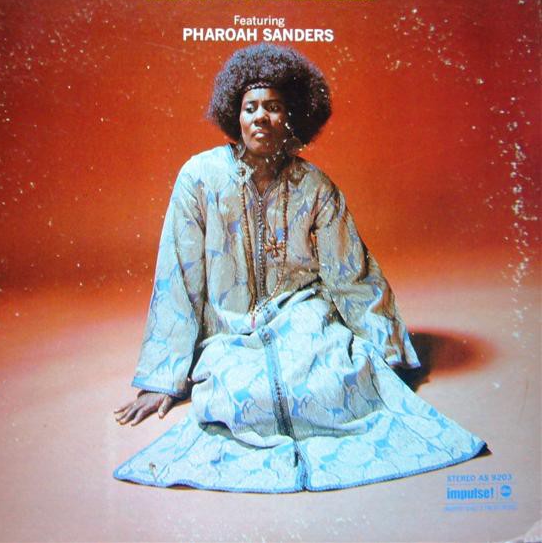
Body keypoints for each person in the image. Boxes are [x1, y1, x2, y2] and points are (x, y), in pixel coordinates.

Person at [113, 43, 485, 492]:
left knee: (333, 381)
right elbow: (179, 275)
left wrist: (387, 352)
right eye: (250, 107)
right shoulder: (199, 177)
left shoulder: (315, 185)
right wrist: (163, 378)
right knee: (242, 396)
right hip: (230, 326)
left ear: (291, 117)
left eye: (273, 107)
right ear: (235, 114)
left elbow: (351, 272)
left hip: (304, 314)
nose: (260, 117)